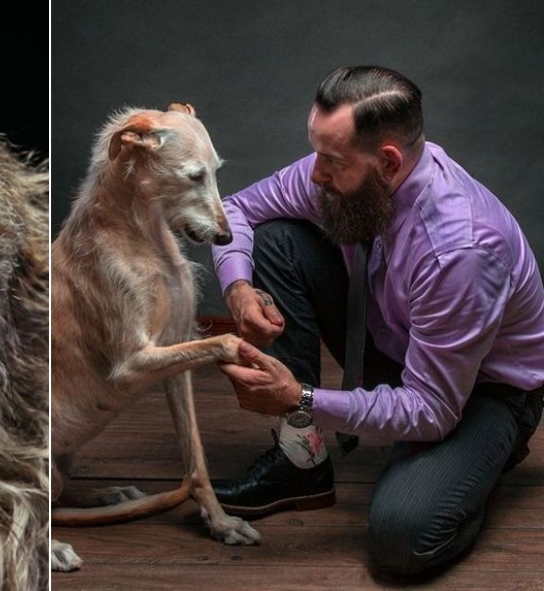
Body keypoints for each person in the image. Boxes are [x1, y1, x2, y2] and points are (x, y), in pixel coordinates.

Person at [210, 65, 544, 580]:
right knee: (276, 239)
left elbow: (433, 409)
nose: (315, 173)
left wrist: (299, 399)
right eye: (316, 151)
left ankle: (476, 466)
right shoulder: (349, 175)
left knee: (402, 535)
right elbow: (234, 211)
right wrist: (237, 287)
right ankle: (301, 461)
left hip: (478, 393)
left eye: (331, 160)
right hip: (394, 341)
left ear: (388, 162)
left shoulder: (460, 251)